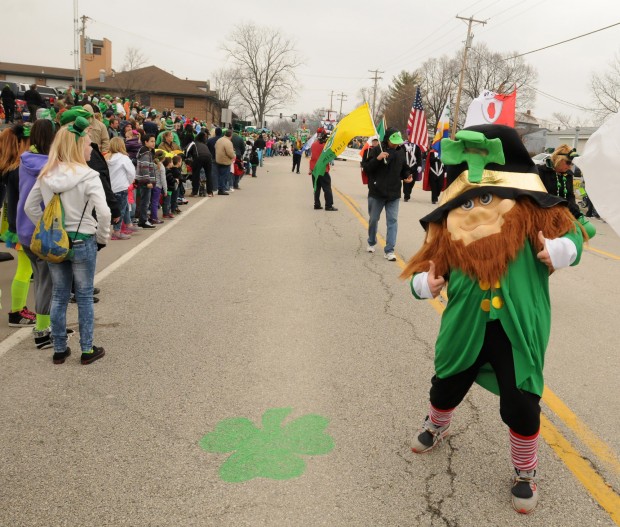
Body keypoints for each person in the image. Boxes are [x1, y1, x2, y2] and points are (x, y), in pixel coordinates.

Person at [401, 124, 585, 514]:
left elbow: (578, 231)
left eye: (487, 197)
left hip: (517, 329)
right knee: (445, 384)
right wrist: (423, 283)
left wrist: (564, 249)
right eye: (467, 201)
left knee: (520, 403)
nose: (476, 209)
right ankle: (437, 423)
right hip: (463, 326)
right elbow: (427, 265)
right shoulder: (450, 230)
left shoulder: (535, 216)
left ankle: (524, 469)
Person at [25, 117, 111, 365]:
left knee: (59, 295)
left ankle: (60, 348)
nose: (90, 149)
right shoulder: (89, 175)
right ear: (76, 147)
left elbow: (31, 207)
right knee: (83, 296)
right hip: (83, 239)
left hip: (56, 241)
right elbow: (103, 213)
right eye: (87, 145)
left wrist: (48, 226)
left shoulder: (46, 174)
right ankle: (87, 349)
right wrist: (102, 237)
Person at [17, 119, 76, 348]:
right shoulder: (51, 166)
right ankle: (42, 331)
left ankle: (46, 325)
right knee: (46, 283)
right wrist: (46, 226)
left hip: (24, 228)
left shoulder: (24, 161)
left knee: (39, 279)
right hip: (42, 230)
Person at [0, 125, 35, 327]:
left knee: (24, 268)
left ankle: (18, 309)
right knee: (24, 269)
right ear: (20, 143)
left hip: (17, 225)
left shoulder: (11, 168)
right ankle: (16, 311)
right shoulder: (17, 170)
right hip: (21, 226)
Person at [360, 127, 413, 260]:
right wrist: (377, 159)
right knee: (373, 219)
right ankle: (371, 242)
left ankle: (389, 250)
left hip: (394, 193)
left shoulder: (401, 152)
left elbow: (404, 168)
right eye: (393, 141)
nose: (396, 144)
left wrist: (407, 175)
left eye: (398, 141)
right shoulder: (376, 150)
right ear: (387, 139)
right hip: (377, 192)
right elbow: (366, 169)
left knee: (392, 221)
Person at [537, 144, 581, 220]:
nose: (570, 166)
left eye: (572, 163)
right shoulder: (542, 171)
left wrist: (573, 206)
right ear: (558, 159)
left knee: (589, 229)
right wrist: (562, 203)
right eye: (568, 162)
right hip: (544, 214)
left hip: (564, 214)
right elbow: (539, 194)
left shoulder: (568, 175)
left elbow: (570, 195)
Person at [106, 137, 135, 240]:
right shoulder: (124, 158)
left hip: (110, 188)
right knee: (121, 210)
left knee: (117, 208)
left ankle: (127, 224)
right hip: (121, 187)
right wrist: (129, 182)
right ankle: (117, 231)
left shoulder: (107, 158)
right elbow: (131, 172)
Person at [309, 128, 338, 212]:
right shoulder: (326, 146)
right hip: (323, 170)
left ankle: (317, 204)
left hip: (314, 169)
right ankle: (329, 205)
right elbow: (330, 157)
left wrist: (310, 169)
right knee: (327, 188)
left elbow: (312, 157)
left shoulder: (313, 144)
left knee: (316, 188)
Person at [136, 134, 157, 228]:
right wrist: (148, 181)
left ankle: (142, 220)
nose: (153, 143)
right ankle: (143, 220)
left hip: (144, 180)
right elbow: (145, 168)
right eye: (151, 141)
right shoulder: (145, 154)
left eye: (154, 141)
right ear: (146, 142)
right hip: (145, 181)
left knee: (144, 201)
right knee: (145, 202)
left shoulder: (147, 152)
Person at [190, 132, 213, 197]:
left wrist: (187, 158)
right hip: (208, 157)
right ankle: (210, 192)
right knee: (208, 174)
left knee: (195, 174)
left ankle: (194, 192)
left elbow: (187, 151)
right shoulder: (205, 144)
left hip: (198, 157)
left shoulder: (193, 143)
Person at [215, 129, 235, 195]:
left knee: (220, 175)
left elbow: (215, 147)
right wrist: (233, 156)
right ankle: (222, 189)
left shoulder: (219, 140)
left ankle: (220, 188)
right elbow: (230, 153)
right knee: (224, 176)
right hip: (225, 160)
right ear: (231, 135)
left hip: (218, 159)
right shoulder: (228, 142)